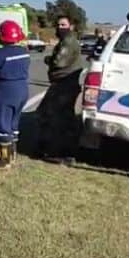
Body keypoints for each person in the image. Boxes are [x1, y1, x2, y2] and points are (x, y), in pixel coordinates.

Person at [0, 20, 30, 168]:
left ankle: (4, 160)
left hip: (5, 91)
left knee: (2, 123)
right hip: (22, 90)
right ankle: (13, 156)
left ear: (1, 36)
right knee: (13, 123)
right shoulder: (24, 53)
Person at [37, 15, 84, 163]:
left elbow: (59, 61)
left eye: (63, 25)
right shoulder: (66, 40)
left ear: (70, 26)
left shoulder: (69, 42)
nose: (60, 28)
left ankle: (59, 152)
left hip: (65, 84)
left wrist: (48, 59)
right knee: (60, 117)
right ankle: (56, 150)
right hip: (63, 83)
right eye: (58, 25)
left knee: (54, 118)